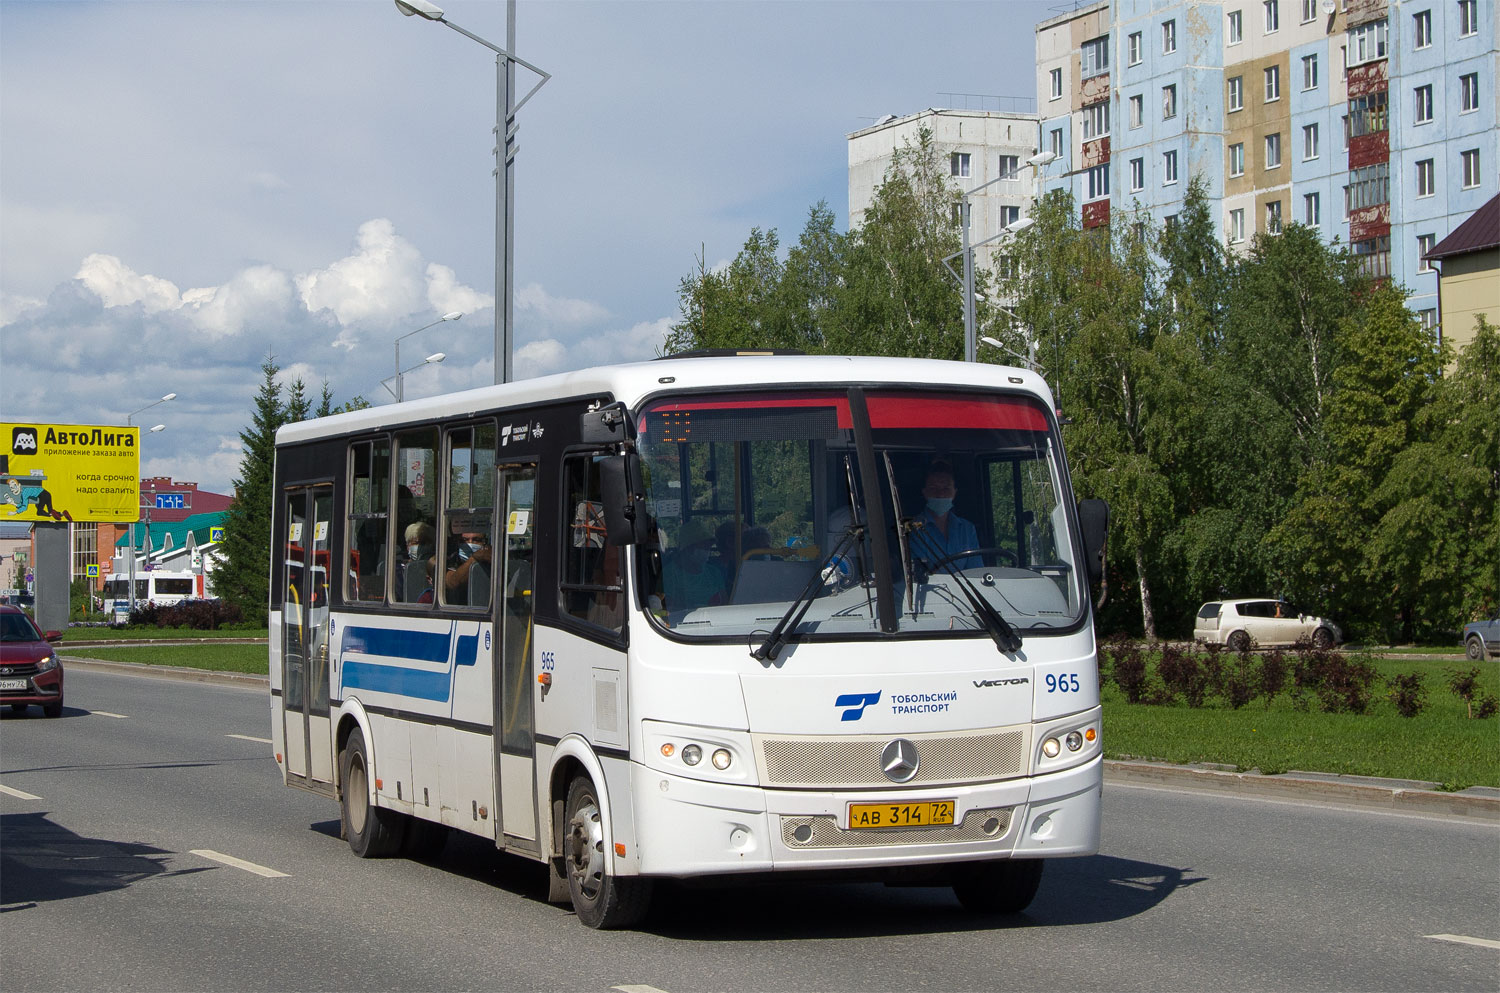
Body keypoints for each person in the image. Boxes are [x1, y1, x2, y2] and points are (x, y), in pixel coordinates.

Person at [915, 460, 981, 571]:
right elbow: (918, 573)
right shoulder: (913, 528)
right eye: (933, 488)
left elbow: (976, 571)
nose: (940, 494)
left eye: (946, 488)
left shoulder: (967, 528)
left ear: (955, 492)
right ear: (924, 492)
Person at [662, 518, 727, 611]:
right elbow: (668, 609)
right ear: (688, 548)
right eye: (703, 546)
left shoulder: (714, 572)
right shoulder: (669, 574)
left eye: (708, 546)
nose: (707, 550)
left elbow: (726, 605)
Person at [442, 530, 492, 604]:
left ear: (484, 542)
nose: (470, 543)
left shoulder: (490, 561)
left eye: (476, 540)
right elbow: (452, 582)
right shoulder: (451, 560)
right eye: (464, 540)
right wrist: (475, 558)